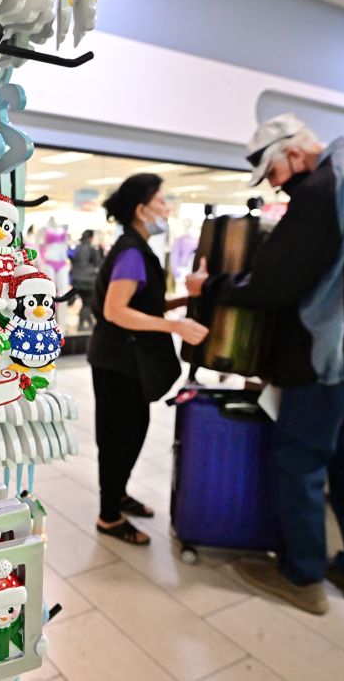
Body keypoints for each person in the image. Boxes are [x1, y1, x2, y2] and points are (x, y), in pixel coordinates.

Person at [187, 114, 344, 614]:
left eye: (274, 175)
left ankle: (303, 578)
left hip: (331, 356)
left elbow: (273, 284)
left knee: (301, 464)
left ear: (293, 155)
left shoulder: (323, 186)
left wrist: (209, 287)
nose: (278, 188)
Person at [88, 174, 209, 545]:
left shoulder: (138, 249)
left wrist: (186, 299)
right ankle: (109, 517)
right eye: (161, 202)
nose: (167, 208)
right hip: (118, 363)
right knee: (118, 439)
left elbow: (143, 303)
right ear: (141, 210)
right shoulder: (129, 252)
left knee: (131, 433)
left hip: (127, 362)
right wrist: (175, 326)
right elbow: (117, 311)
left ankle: (119, 494)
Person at [71, 230, 103, 331]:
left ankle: (87, 323)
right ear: (90, 238)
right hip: (88, 281)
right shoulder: (92, 249)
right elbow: (98, 264)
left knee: (86, 303)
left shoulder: (76, 248)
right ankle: (83, 325)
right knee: (87, 303)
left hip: (77, 281)